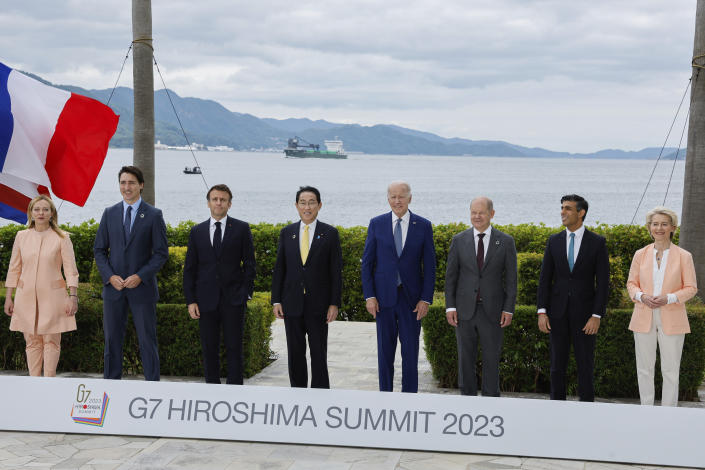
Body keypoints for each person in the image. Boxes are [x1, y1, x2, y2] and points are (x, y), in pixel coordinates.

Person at [94, 165, 168, 381]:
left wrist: (140, 276)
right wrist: (109, 276)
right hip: (113, 289)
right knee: (112, 342)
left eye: (131, 183)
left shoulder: (154, 215)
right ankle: (111, 385)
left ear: (141, 185)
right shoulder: (109, 213)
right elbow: (99, 250)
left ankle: (152, 387)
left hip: (142, 289)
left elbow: (161, 253)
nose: (127, 187)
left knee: (147, 340)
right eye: (123, 183)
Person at [361, 181, 436, 393]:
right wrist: (369, 296)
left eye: (401, 196)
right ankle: (385, 396)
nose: (397, 201)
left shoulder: (423, 225)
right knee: (385, 353)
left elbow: (430, 267)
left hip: (412, 301)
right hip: (383, 300)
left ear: (410, 198)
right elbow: (367, 263)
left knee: (410, 353)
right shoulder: (377, 224)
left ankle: (409, 398)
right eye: (393, 196)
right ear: (388, 199)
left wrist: (426, 299)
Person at [536, 194, 609, 401]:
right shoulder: (554, 241)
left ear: (581, 212)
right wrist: (542, 311)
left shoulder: (597, 242)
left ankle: (587, 408)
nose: (562, 212)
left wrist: (596, 315)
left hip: (585, 316)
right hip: (556, 314)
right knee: (557, 366)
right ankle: (556, 407)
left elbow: (603, 283)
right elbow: (544, 280)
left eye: (568, 208)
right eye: (562, 208)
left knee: (585, 365)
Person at [183, 184, 256, 384]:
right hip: (205, 301)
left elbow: (250, 264)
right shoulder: (197, 231)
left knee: (234, 348)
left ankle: (235, 392)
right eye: (215, 199)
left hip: (234, 300)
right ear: (208, 203)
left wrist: (245, 293)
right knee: (209, 348)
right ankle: (212, 390)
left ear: (229, 204)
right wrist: (191, 301)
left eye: (223, 200)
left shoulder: (241, 228)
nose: (218, 203)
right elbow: (190, 269)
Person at [445, 197, 517, 396]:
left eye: (481, 212)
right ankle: (467, 400)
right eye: (473, 212)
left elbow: (511, 280)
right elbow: (451, 277)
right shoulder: (459, 240)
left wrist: (508, 309)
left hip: (493, 312)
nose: (477, 216)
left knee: (492, 360)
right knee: (465, 359)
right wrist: (450, 307)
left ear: (491, 214)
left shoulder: (506, 241)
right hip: (464, 311)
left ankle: (491, 401)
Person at [271, 186, 342, 388]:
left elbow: (335, 272)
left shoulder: (330, 233)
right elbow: (280, 269)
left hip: (318, 305)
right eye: (303, 202)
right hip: (291, 303)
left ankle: (320, 394)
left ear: (319, 205)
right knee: (295, 353)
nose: (307, 207)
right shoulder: (287, 233)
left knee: (319, 353)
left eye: (312, 202)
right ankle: (298, 393)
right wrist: (276, 300)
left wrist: (334, 303)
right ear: (296, 206)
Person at [626, 207, 697, 407]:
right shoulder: (640, 254)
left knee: (671, 370)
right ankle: (646, 410)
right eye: (655, 224)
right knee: (644, 368)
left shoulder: (684, 256)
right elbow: (631, 284)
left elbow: (691, 288)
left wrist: (670, 298)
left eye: (664, 224)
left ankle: (669, 413)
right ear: (649, 228)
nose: (659, 228)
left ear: (673, 227)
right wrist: (641, 296)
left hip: (673, 318)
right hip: (643, 316)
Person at [3, 195, 79, 377]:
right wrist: (8, 297)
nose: (41, 213)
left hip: (54, 298)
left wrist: (73, 296)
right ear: (31, 213)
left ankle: (49, 383)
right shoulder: (21, 236)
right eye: (37, 209)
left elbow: (71, 270)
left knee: (51, 341)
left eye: (45, 209)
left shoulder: (62, 237)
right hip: (25, 296)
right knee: (31, 342)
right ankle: (34, 383)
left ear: (52, 213)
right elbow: (14, 268)